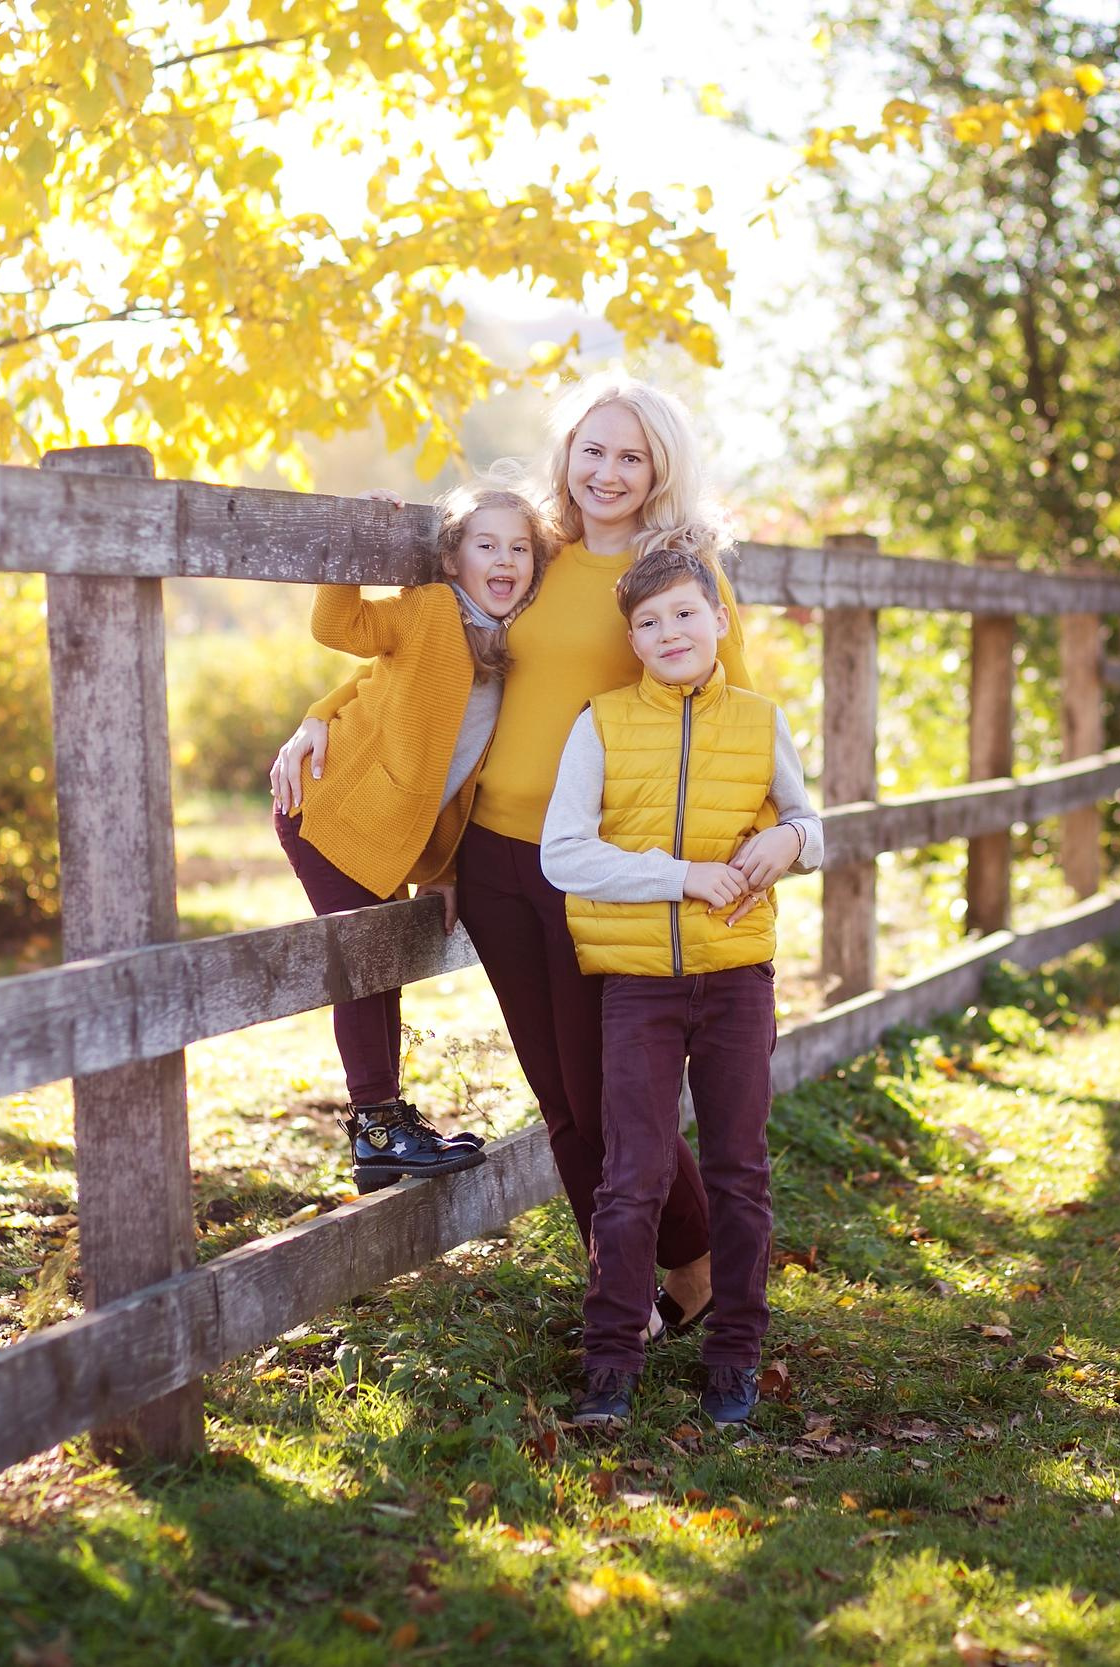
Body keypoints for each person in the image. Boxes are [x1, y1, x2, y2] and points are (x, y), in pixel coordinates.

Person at [270, 374, 759, 1339]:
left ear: (659, 469)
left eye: (632, 456)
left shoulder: (674, 569)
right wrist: (320, 716)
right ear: (567, 456)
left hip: (598, 863)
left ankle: (695, 1263)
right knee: (559, 1099)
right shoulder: (532, 555)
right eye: (593, 450)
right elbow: (425, 666)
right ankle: (622, 1293)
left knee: (606, 1091)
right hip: (492, 859)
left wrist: (751, 835)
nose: (608, 472)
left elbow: (731, 704)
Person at [539, 543, 823, 1426]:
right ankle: (611, 1362)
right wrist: (682, 876)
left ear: (719, 620)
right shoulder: (601, 722)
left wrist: (789, 841)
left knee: (739, 1170)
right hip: (638, 987)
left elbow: (811, 824)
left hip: (736, 980)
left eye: (685, 613)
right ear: (631, 640)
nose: (669, 632)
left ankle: (735, 1354)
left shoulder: (762, 720)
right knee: (632, 1173)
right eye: (649, 621)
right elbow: (563, 853)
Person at [269, 478, 553, 1192]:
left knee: (382, 969)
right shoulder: (429, 610)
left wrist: (444, 870)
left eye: (520, 548)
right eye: (486, 545)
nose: (505, 559)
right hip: (332, 810)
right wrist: (355, 533)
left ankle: (385, 1126)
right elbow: (341, 629)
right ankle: (375, 1126)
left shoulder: (515, 641)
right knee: (365, 962)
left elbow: (461, 773)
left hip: (386, 832)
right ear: (452, 560)